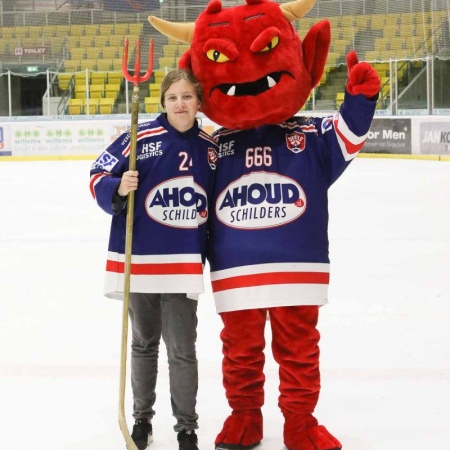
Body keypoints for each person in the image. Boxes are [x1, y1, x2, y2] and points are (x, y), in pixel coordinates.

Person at [149, 1, 380, 449]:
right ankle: (244, 416)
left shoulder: (309, 134)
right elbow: (182, 188)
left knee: (299, 351)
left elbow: (348, 139)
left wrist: (359, 101)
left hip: (297, 271)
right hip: (236, 274)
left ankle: (300, 422)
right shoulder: (215, 144)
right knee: (240, 352)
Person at [89, 69, 218, 450]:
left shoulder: (211, 147)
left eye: (188, 97)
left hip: (182, 263)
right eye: (173, 97)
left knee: (182, 349)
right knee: (144, 344)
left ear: (198, 103)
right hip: (141, 260)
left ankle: (186, 427)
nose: (180, 104)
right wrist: (118, 186)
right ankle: (142, 420)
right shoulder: (139, 137)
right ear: (162, 102)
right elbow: (97, 174)